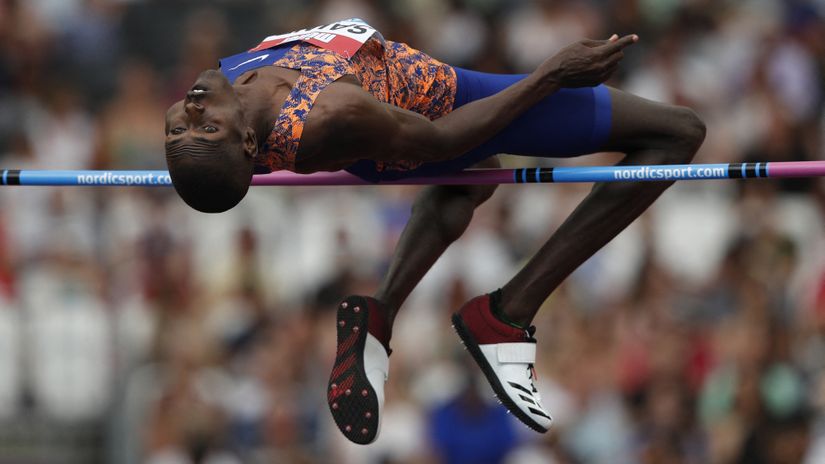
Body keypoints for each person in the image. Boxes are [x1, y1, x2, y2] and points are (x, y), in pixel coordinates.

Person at [164, 18, 706, 445]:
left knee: (471, 182)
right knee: (678, 133)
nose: (190, 109)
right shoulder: (326, 116)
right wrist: (550, 75)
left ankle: (380, 316)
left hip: (418, 92)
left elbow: (211, 159)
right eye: (204, 125)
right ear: (249, 148)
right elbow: (442, 143)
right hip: (444, 109)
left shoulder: (220, 100)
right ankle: (507, 313)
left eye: (180, 126)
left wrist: (203, 142)